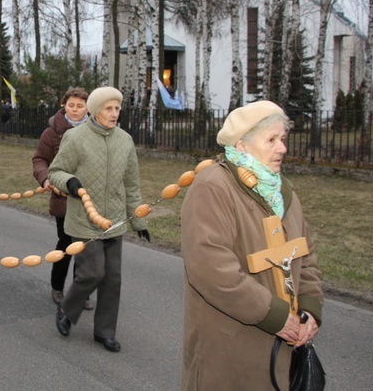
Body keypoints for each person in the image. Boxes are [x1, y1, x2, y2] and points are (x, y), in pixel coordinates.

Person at [180, 101, 323, 390]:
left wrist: (309, 310)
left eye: (282, 139)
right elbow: (212, 269)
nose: (282, 148)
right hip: (229, 345)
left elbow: (305, 255)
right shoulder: (213, 187)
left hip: (285, 345)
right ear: (242, 145)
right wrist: (273, 315)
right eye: (271, 139)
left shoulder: (283, 192)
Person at [48, 86, 150, 353]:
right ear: (94, 110)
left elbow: (132, 184)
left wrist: (138, 221)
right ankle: (67, 311)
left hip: (114, 220)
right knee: (92, 273)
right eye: (109, 108)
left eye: (117, 108)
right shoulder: (75, 137)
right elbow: (55, 171)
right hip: (85, 220)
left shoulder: (125, 140)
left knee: (112, 279)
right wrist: (69, 182)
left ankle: (104, 332)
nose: (115, 113)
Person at [32, 88, 94, 310]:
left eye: (80, 106)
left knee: (87, 249)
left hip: (91, 201)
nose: (75, 110)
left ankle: (81, 291)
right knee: (67, 246)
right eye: (71, 105)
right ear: (64, 105)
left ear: (88, 107)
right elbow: (40, 159)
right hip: (64, 200)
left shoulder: (97, 130)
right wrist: (45, 178)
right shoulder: (52, 133)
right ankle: (57, 287)